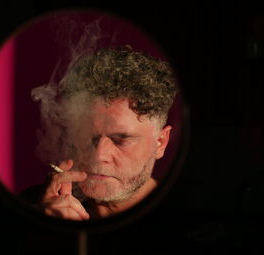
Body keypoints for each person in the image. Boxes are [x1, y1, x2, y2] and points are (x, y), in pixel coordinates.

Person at [22, 46, 178, 220]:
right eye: (88, 135)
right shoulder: (37, 206)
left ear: (160, 143)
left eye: (120, 140)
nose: (98, 155)